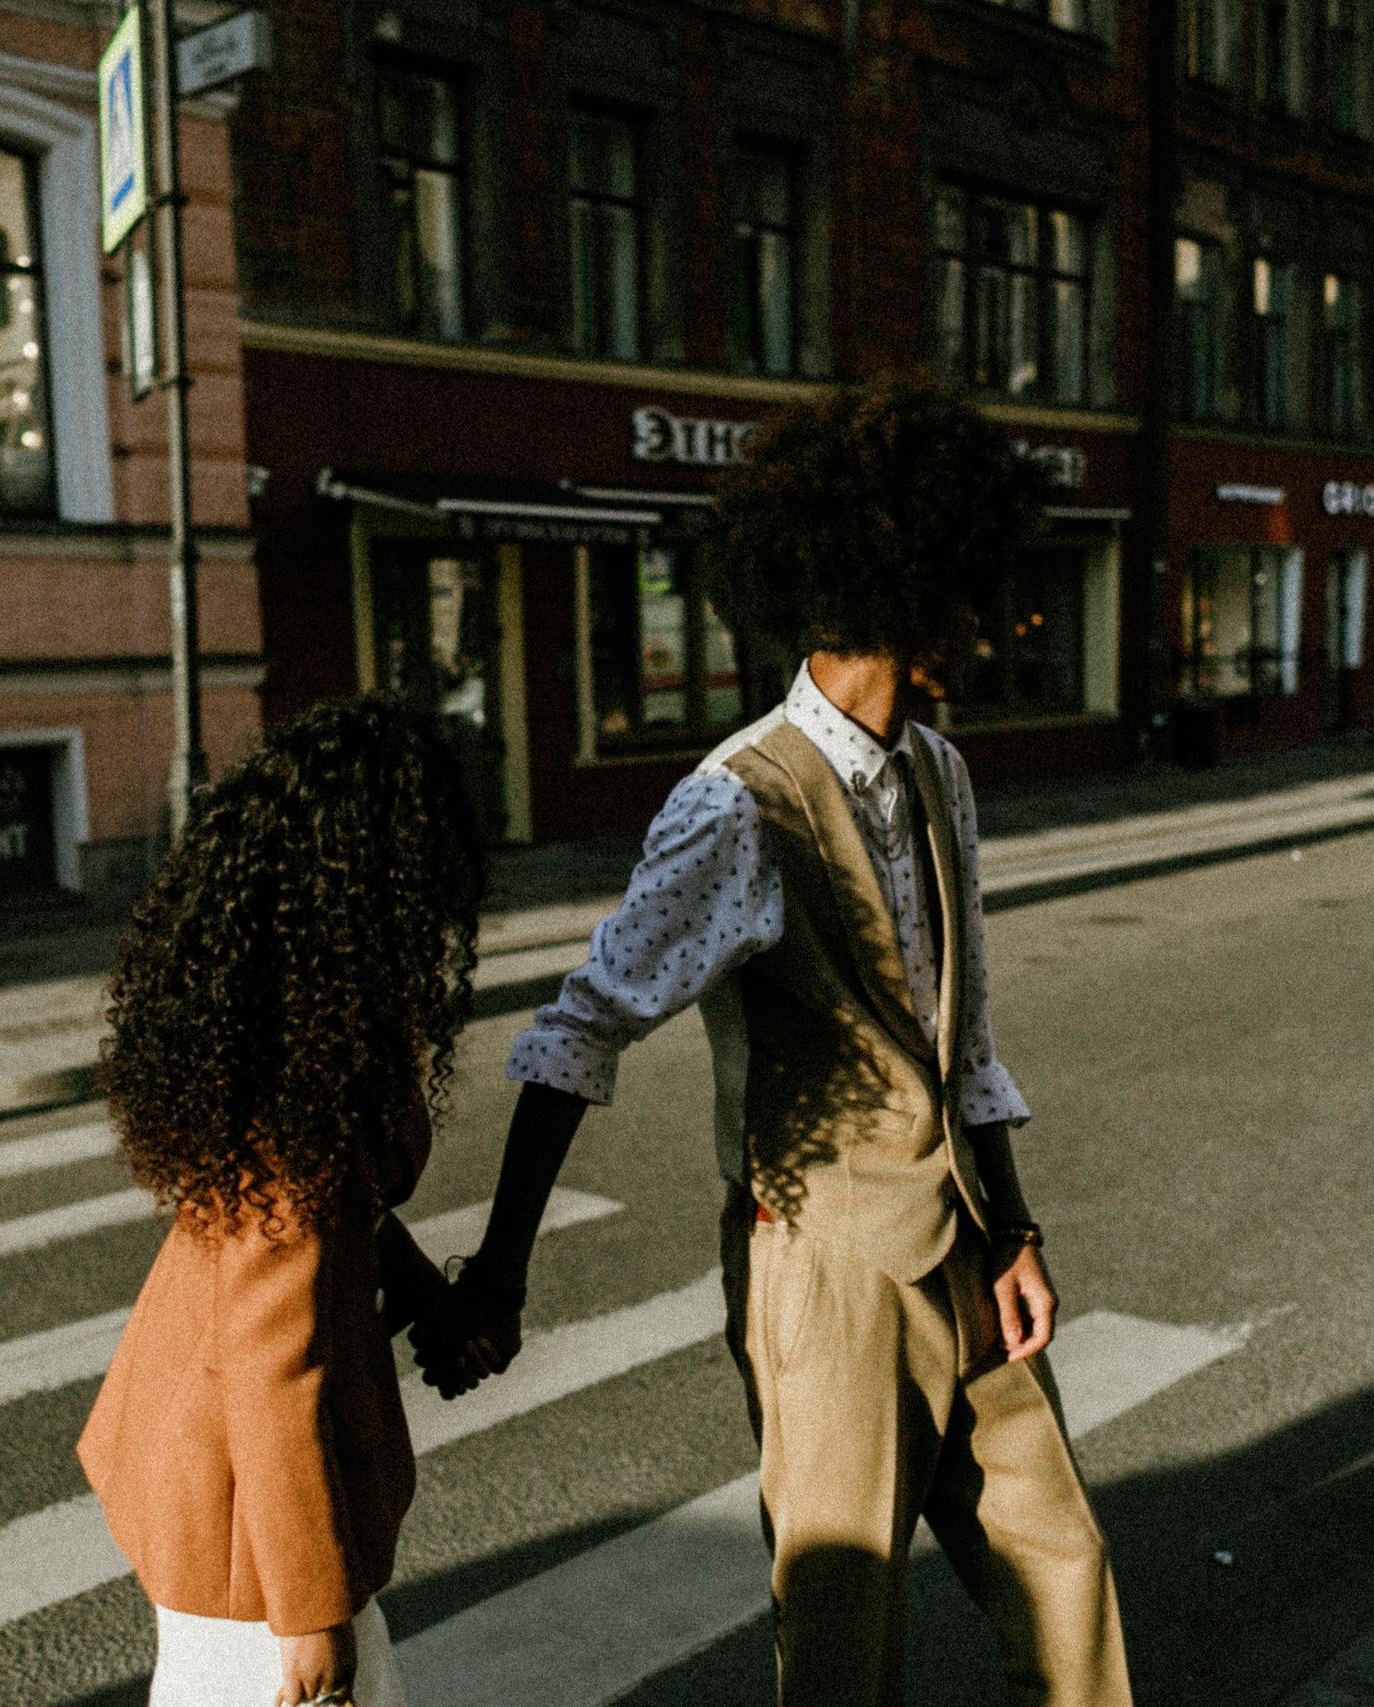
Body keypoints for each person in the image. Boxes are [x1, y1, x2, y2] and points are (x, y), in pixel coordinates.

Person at [416, 378, 1133, 1707]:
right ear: (905, 590)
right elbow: (580, 1031)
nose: (993, 618)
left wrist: (1017, 1228)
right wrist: (502, 1270)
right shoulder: (734, 804)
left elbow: (961, 1036)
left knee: (1067, 1570)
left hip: (963, 1247)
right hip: (824, 1267)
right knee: (847, 1644)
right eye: (975, 589)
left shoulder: (941, 770)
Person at [78, 696, 486, 1707]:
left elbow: (343, 1219)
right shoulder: (294, 1102)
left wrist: (421, 1293)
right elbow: (269, 1375)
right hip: (243, 1532)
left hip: (223, 1490)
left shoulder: (298, 1041)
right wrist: (307, 1615)